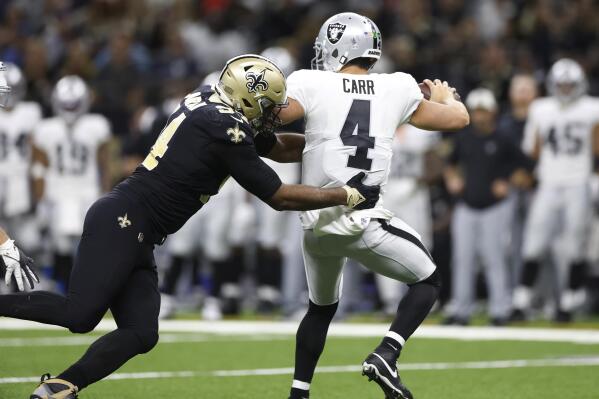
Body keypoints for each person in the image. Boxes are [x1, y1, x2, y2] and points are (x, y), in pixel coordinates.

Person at [0, 54, 381, 399]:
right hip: (123, 219)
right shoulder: (225, 129)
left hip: (139, 229)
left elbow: (277, 145)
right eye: (267, 105)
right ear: (246, 99)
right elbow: (278, 195)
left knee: (141, 332)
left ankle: (59, 387)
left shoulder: (211, 104)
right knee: (79, 315)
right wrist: (345, 194)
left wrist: (331, 141)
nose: (274, 112)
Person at [272, 13, 469, 399]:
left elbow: (276, 117)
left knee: (320, 309)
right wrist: (445, 97)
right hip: (362, 220)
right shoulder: (396, 87)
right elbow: (458, 119)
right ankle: (387, 353)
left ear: (339, 45)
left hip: (316, 224)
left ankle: (299, 393)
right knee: (428, 282)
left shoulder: (310, 81)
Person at [512, 58, 599, 322]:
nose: (564, 89)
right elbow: (533, 149)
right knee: (534, 242)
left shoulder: (592, 108)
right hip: (549, 182)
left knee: (575, 245)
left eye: (569, 84)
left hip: (578, 181)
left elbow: (596, 147)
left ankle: (568, 302)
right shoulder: (541, 108)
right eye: (560, 84)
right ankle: (521, 300)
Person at [443, 88, 533, 326]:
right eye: (477, 111)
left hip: (495, 207)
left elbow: (525, 166)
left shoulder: (504, 138)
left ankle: (499, 311)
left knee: (495, 258)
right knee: (462, 259)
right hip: (467, 205)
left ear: (492, 112)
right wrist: (452, 179)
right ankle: (461, 311)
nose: (480, 116)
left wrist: (510, 182)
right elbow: (450, 164)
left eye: (484, 111)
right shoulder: (464, 137)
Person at [32, 75, 112, 289]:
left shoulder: (97, 125)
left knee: (87, 245)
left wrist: (107, 193)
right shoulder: (46, 128)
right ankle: (65, 286)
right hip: (57, 193)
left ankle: (84, 287)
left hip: (87, 192)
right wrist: (40, 199)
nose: (69, 108)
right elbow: (39, 167)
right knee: (60, 245)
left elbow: (105, 164)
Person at [0, 63, 43, 272]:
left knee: (27, 239)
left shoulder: (30, 112)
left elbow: (37, 150)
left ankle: (25, 277)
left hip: (20, 179)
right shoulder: (30, 112)